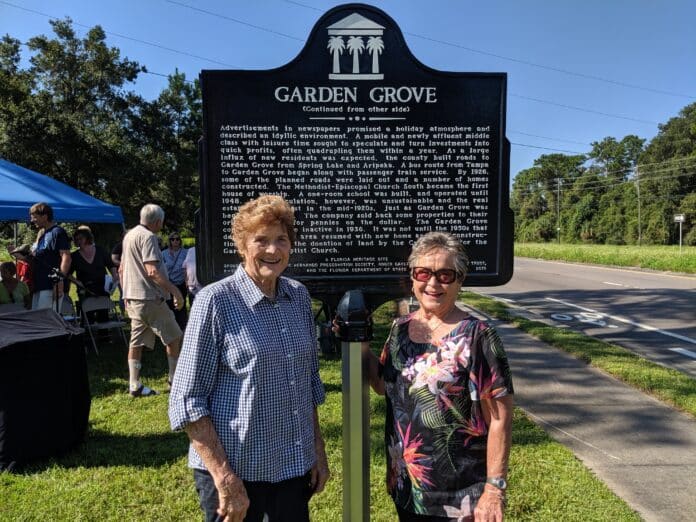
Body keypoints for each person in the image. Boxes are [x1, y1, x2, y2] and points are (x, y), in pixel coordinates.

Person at [169, 195, 329, 522]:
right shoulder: (215, 302)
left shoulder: (298, 296)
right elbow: (187, 400)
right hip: (236, 473)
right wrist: (225, 478)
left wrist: (317, 450)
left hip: (291, 469)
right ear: (242, 246)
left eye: (281, 240)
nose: (273, 250)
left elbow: (306, 383)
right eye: (261, 240)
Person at [367, 231, 513, 522]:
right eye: (423, 272)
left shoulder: (478, 337)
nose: (432, 283)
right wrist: (356, 340)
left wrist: (494, 490)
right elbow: (383, 385)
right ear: (413, 277)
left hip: (460, 498)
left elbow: (500, 417)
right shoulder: (400, 329)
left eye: (445, 275)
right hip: (408, 487)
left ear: (460, 280)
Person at [120, 204, 184, 397]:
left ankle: (134, 384)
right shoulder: (148, 237)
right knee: (174, 337)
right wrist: (175, 291)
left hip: (133, 298)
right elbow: (152, 271)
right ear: (157, 221)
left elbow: (122, 268)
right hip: (150, 298)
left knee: (136, 342)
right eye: (161, 223)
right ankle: (175, 381)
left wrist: (125, 294)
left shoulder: (129, 235)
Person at [70, 226, 119, 323]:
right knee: (88, 318)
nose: (78, 241)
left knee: (104, 317)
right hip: (85, 290)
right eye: (76, 239)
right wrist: (77, 282)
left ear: (87, 238)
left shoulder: (100, 250)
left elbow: (111, 265)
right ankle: (89, 336)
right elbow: (67, 274)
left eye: (81, 238)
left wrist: (114, 277)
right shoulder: (74, 256)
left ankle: (104, 337)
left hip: (102, 289)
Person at [28, 202, 71, 311]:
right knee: (38, 321)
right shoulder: (42, 234)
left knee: (48, 323)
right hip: (39, 285)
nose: (32, 220)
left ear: (45, 216)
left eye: (34, 217)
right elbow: (39, 258)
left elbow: (66, 257)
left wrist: (59, 281)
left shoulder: (58, 232)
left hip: (51, 286)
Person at [162, 231, 188, 330]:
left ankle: (182, 327)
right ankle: (171, 327)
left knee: (181, 305)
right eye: (173, 239)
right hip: (168, 283)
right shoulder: (163, 253)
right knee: (169, 306)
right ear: (169, 241)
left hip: (181, 282)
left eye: (177, 239)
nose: (175, 241)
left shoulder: (185, 252)